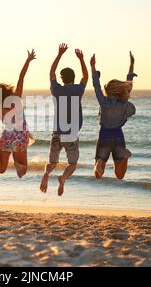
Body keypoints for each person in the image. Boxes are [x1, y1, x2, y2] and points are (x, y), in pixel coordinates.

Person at [40, 43, 88, 196]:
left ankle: (47, 174)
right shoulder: (78, 89)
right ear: (73, 79)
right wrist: (81, 59)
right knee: (72, 164)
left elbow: (51, 72)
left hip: (57, 133)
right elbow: (85, 77)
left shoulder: (57, 89)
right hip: (71, 134)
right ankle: (63, 178)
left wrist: (59, 54)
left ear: (62, 79)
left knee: (52, 162)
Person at [0, 49, 36, 178]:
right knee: (22, 172)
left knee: (1, 169)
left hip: (7, 138)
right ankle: (17, 161)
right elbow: (21, 77)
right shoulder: (16, 100)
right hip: (20, 137)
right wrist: (28, 60)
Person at [90, 52, 137, 180]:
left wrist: (93, 67)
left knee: (98, 175)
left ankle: (99, 163)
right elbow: (129, 84)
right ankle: (125, 157)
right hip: (118, 137)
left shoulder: (103, 102)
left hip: (104, 136)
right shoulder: (124, 103)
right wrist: (131, 65)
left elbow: (96, 86)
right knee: (120, 175)